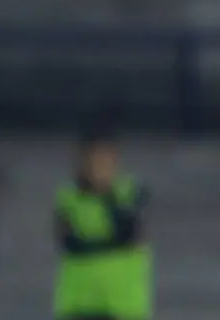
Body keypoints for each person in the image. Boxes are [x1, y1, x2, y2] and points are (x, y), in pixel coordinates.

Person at [53, 132, 152, 320]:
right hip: (80, 302)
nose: (100, 168)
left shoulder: (130, 193)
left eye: (106, 161)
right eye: (94, 161)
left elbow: (127, 233)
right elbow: (69, 242)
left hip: (122, 304)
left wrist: (107, 195)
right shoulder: (69, 197)